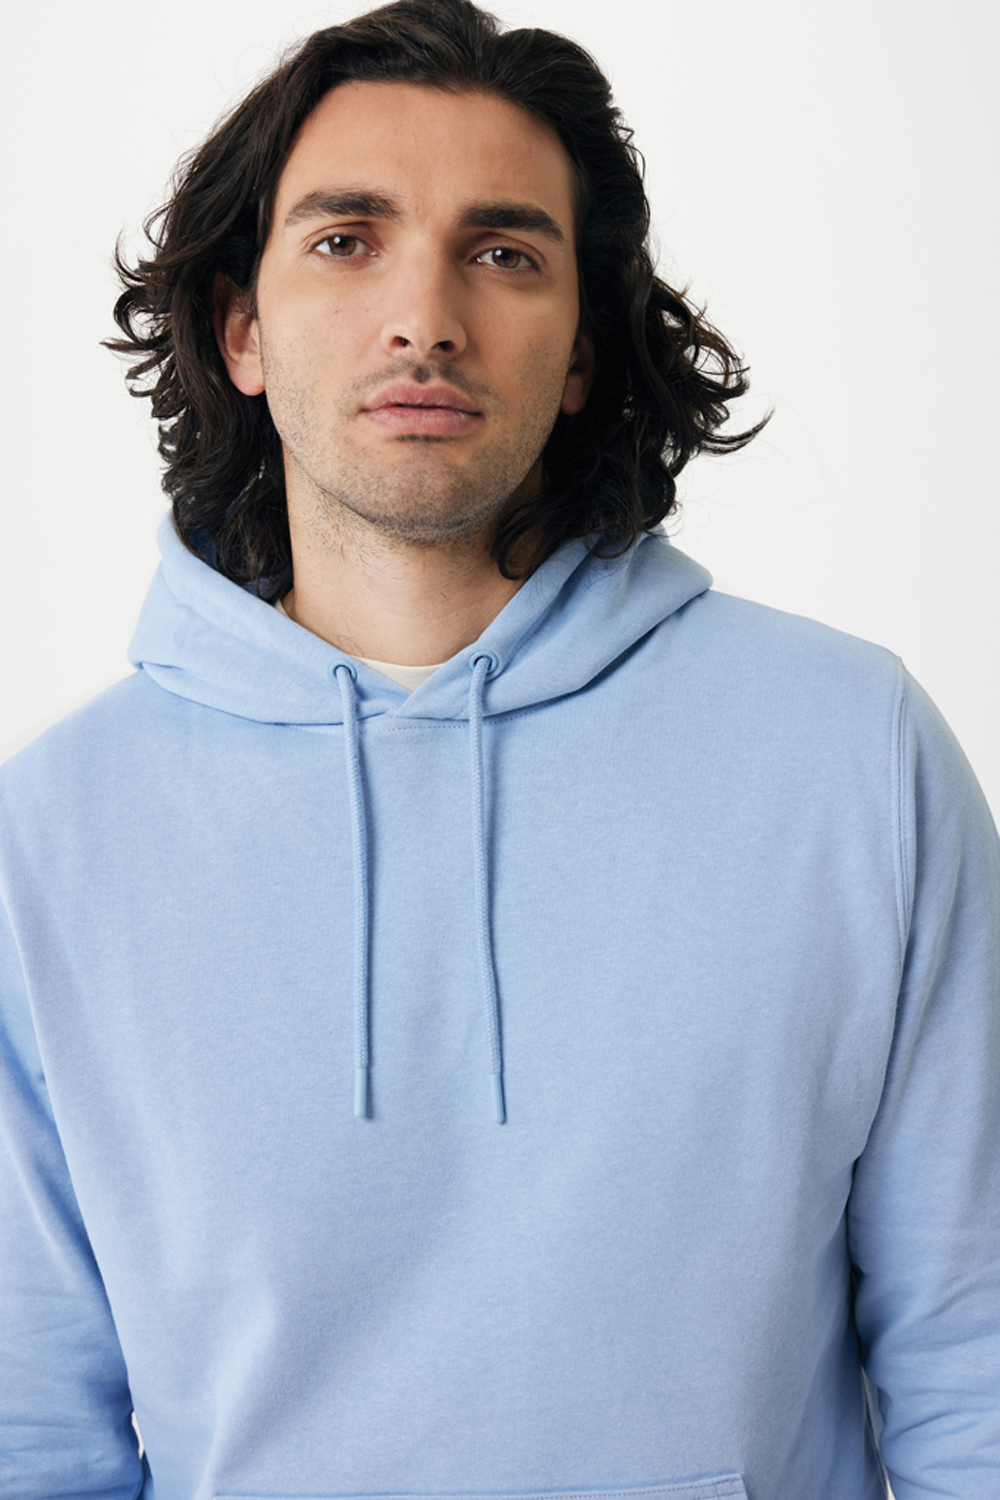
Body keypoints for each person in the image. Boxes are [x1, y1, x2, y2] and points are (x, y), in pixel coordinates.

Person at [0, 0, 997, 1495]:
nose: (426, 317)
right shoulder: (51, 839)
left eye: (505, 252)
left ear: (584, 349)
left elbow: (977, 1365)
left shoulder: (857, 754)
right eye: (349, 240)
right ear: (242, 329)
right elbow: (31, 1439)